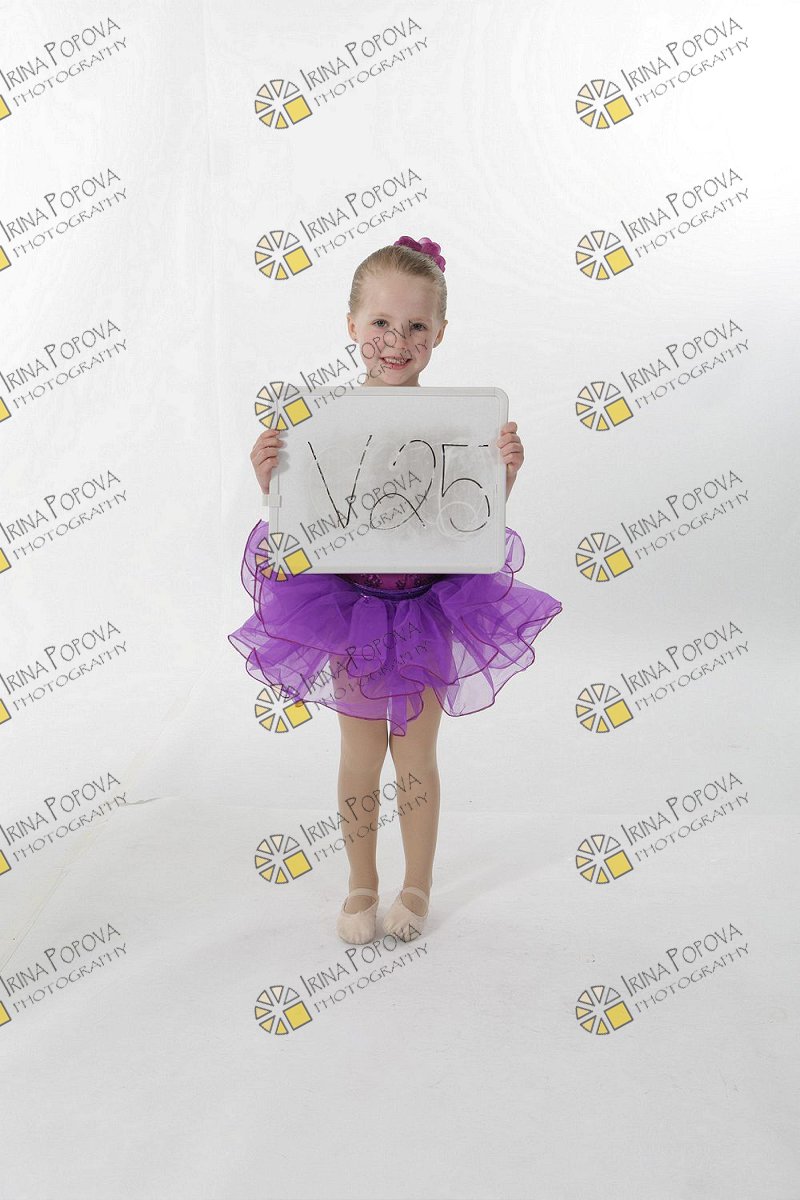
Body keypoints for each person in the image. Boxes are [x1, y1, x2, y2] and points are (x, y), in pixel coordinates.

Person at [228, 235, 563, 946]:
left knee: (414, 754)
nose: (396, 340)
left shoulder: (458, 424)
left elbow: (465, 519)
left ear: (439, 333)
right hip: (350, 606)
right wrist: (272, 479)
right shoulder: (322, 421)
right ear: (352, 324)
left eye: (416, 325)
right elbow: (306, 513)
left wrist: (500, 476)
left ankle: (416, 884)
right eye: (381, 322)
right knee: (359, 753)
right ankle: (361, 881)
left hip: (428, 606)